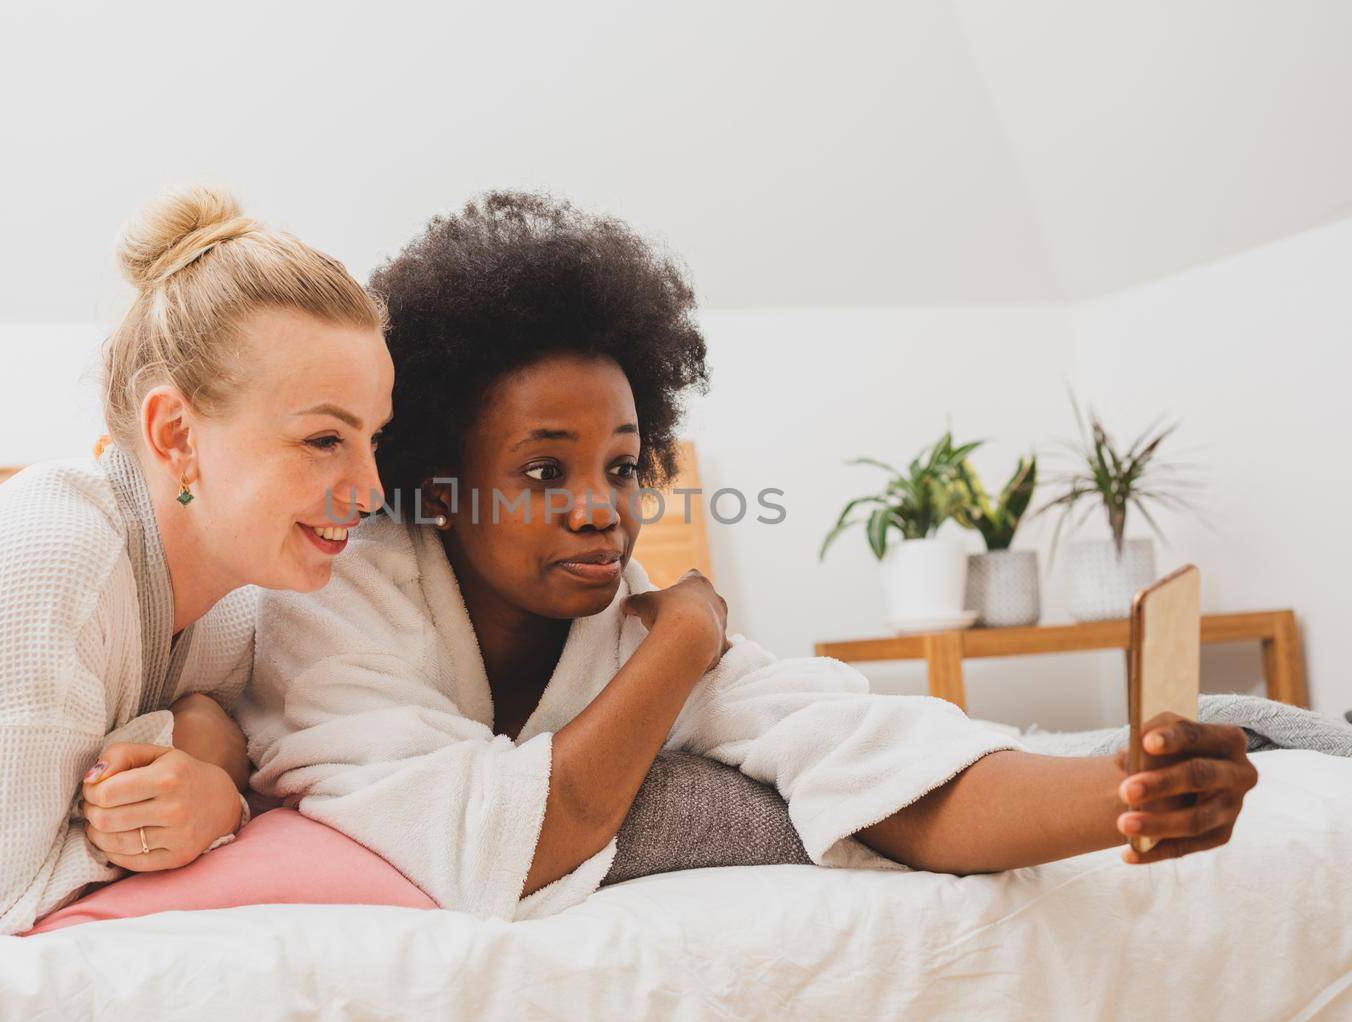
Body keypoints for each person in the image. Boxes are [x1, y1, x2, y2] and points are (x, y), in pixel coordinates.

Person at [239, 192, 1258, 920]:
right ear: (436, 483)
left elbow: (874, 761)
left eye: (625, 465)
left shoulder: (625, 612)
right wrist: (681, 642)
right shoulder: (339, 600)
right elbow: (503, 847)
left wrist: (1118, 793)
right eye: (544, 472)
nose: (603, 510)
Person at [0, 185, 392, 934]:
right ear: (175, 435)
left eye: (372, 440)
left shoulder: (233, 602)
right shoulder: (57, 565)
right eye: (324, 440)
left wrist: (219, 761)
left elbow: (218, 730)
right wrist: (209, 783)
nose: (371, 492)